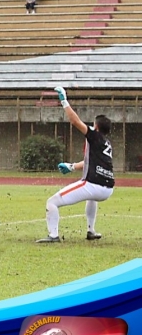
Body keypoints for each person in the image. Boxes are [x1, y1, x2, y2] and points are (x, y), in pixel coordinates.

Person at [36, 88, 115, 243]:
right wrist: (72, 166)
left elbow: (75, 121)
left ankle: (53, 236)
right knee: (91, 199)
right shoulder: (106, 143)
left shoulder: (94, 136)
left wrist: (64, 101)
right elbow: (88, 162)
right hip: (108, 189)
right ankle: (91, 231)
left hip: (93, 184)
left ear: (96, 127)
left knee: (52, 202)